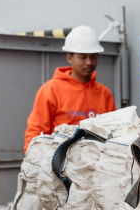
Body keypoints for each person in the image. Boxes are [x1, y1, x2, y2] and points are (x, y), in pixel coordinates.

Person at [23, 25, 116, 153]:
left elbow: (114, 130)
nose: (89, 62)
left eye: (93, 57)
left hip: (97, 166)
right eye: (83, 57)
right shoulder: (51, 90)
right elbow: (36, 132)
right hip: (60, 165)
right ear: (69, 57)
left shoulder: (104, 93)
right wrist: (34, 162)